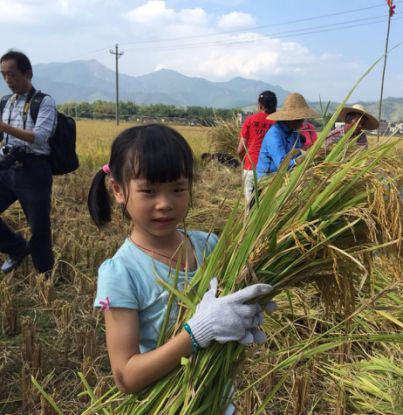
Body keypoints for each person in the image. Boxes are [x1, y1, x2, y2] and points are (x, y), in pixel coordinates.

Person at [87, 124, 274, 410]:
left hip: (219, 402)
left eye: (177, 189)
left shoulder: (210, 245)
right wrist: (197, 332)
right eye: (148, 191)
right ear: (118, 190)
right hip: (168, 405)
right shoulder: (121, 273)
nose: (165, 204)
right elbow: (126, 376)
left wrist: (248, 306)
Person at [0, 50, 57, 274]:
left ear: (28, 73)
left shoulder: (43, 101)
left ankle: (45, 273)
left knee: (39, 227)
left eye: (12, 74)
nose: (7, 80)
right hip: (7, 168)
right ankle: (16, 247)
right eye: (3, 75)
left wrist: (4, 127)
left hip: (34, 171)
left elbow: (39, 136)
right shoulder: (6, 102)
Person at [256, 92, 319, 178]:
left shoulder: (294, 132)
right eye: (299, 120)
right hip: (267, 179)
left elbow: (296, 153)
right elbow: (282, 165)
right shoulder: (274, 135)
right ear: (291, 119)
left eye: (302, 120)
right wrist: (299, 160)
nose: (301, 124)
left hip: (284, 177)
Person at [237, 91, 276, 203]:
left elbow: (240, 149)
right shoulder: (279, 123)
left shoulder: (250, 120)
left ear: (260, 105)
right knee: (266, 205)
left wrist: (244, 162)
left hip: (251, 167)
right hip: (270, 170)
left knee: (249, 205)